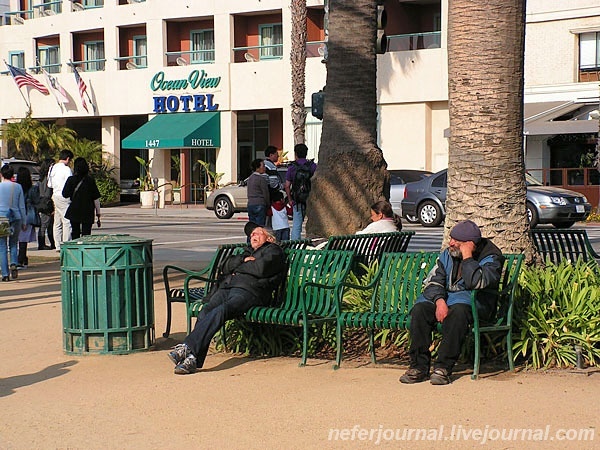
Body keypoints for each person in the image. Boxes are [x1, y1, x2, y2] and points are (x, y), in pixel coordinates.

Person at [168, 222, 286, 374]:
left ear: (269, 238)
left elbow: (260, 269)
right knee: (206, 311)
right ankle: (192, 359)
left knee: (222, 310)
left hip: (249, 291)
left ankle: (187, 348)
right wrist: (243, 261)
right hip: (227, 288)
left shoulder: (274, 252)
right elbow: (225, 266)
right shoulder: (247, 252)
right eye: (251, 235)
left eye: (257, 233)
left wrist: (239, 268)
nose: (252, 236)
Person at [399, 220, 504, 385]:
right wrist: (440, 301)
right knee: (420, 309)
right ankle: (418, 367)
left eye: (456, 241)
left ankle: (443, 368)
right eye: (451, 238)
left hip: (475, 303)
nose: (451, 243)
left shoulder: (491, 257)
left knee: (458, 313)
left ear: (470, 244)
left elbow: (477, 283)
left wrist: (468, 258)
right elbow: (433, 282)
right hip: (446, 299)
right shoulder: (448, 254)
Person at [62, 157, 101, 239]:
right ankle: (85, 250)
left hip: (75, 209)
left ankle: (76, 250)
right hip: (88, 210)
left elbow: (65, 194)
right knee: (86, 234)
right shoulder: (90, 180)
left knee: (75, 233)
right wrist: (98, 213)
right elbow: (96, 198)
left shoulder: (71, 180)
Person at [285, 143, 317, 240]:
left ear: (296, 154)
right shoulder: (313, 166)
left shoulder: (292, 167)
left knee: (297, 225)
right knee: (313, 222)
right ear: (306, 153)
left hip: (297, 200)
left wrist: (290, 199)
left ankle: (295, 245)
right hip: (310, 199)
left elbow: (287, 185)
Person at [0, 165, 26, 281]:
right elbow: (22, 206)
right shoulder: (18, 187)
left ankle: (5, 274)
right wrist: (24, 221)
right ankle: (14, 263)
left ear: (1, 174)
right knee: (14, 243)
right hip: (16, 217)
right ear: (12, 175)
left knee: (2, 247)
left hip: (1, 218)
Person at [48, 149, 74, 249]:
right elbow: (70, 184)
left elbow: (49, 184)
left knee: (57, 221)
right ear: (68, 159)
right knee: (67, 221)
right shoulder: (66, 170)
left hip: (55, 194)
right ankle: (66, 243)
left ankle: (57, 244)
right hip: (64, 196)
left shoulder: (52, 167)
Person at [16, 167, 40, 269]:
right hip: (29, 215)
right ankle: (22, 259)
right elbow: (37, 201)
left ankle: (21, 259)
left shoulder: (16, 188)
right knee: (23, 239)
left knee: (18, 239)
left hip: (17, 215)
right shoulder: (33, 189)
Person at [37, 159, 56, 250]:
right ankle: (45, 244)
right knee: (47, 224)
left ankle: (46, 243)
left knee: (46, 224)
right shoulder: (48, 178)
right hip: (47, 202)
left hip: (42, 201)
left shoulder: (41, 178)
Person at [246, 158, 270, 228]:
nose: (264, 168)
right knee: (260, 226)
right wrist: (268, 204)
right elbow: (266, 193)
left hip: (250, 204)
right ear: (257, 168)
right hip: (260, 203)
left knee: (252, 226)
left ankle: (250, 238)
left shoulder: (250, 178)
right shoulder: (261, 179)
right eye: (263, 166)